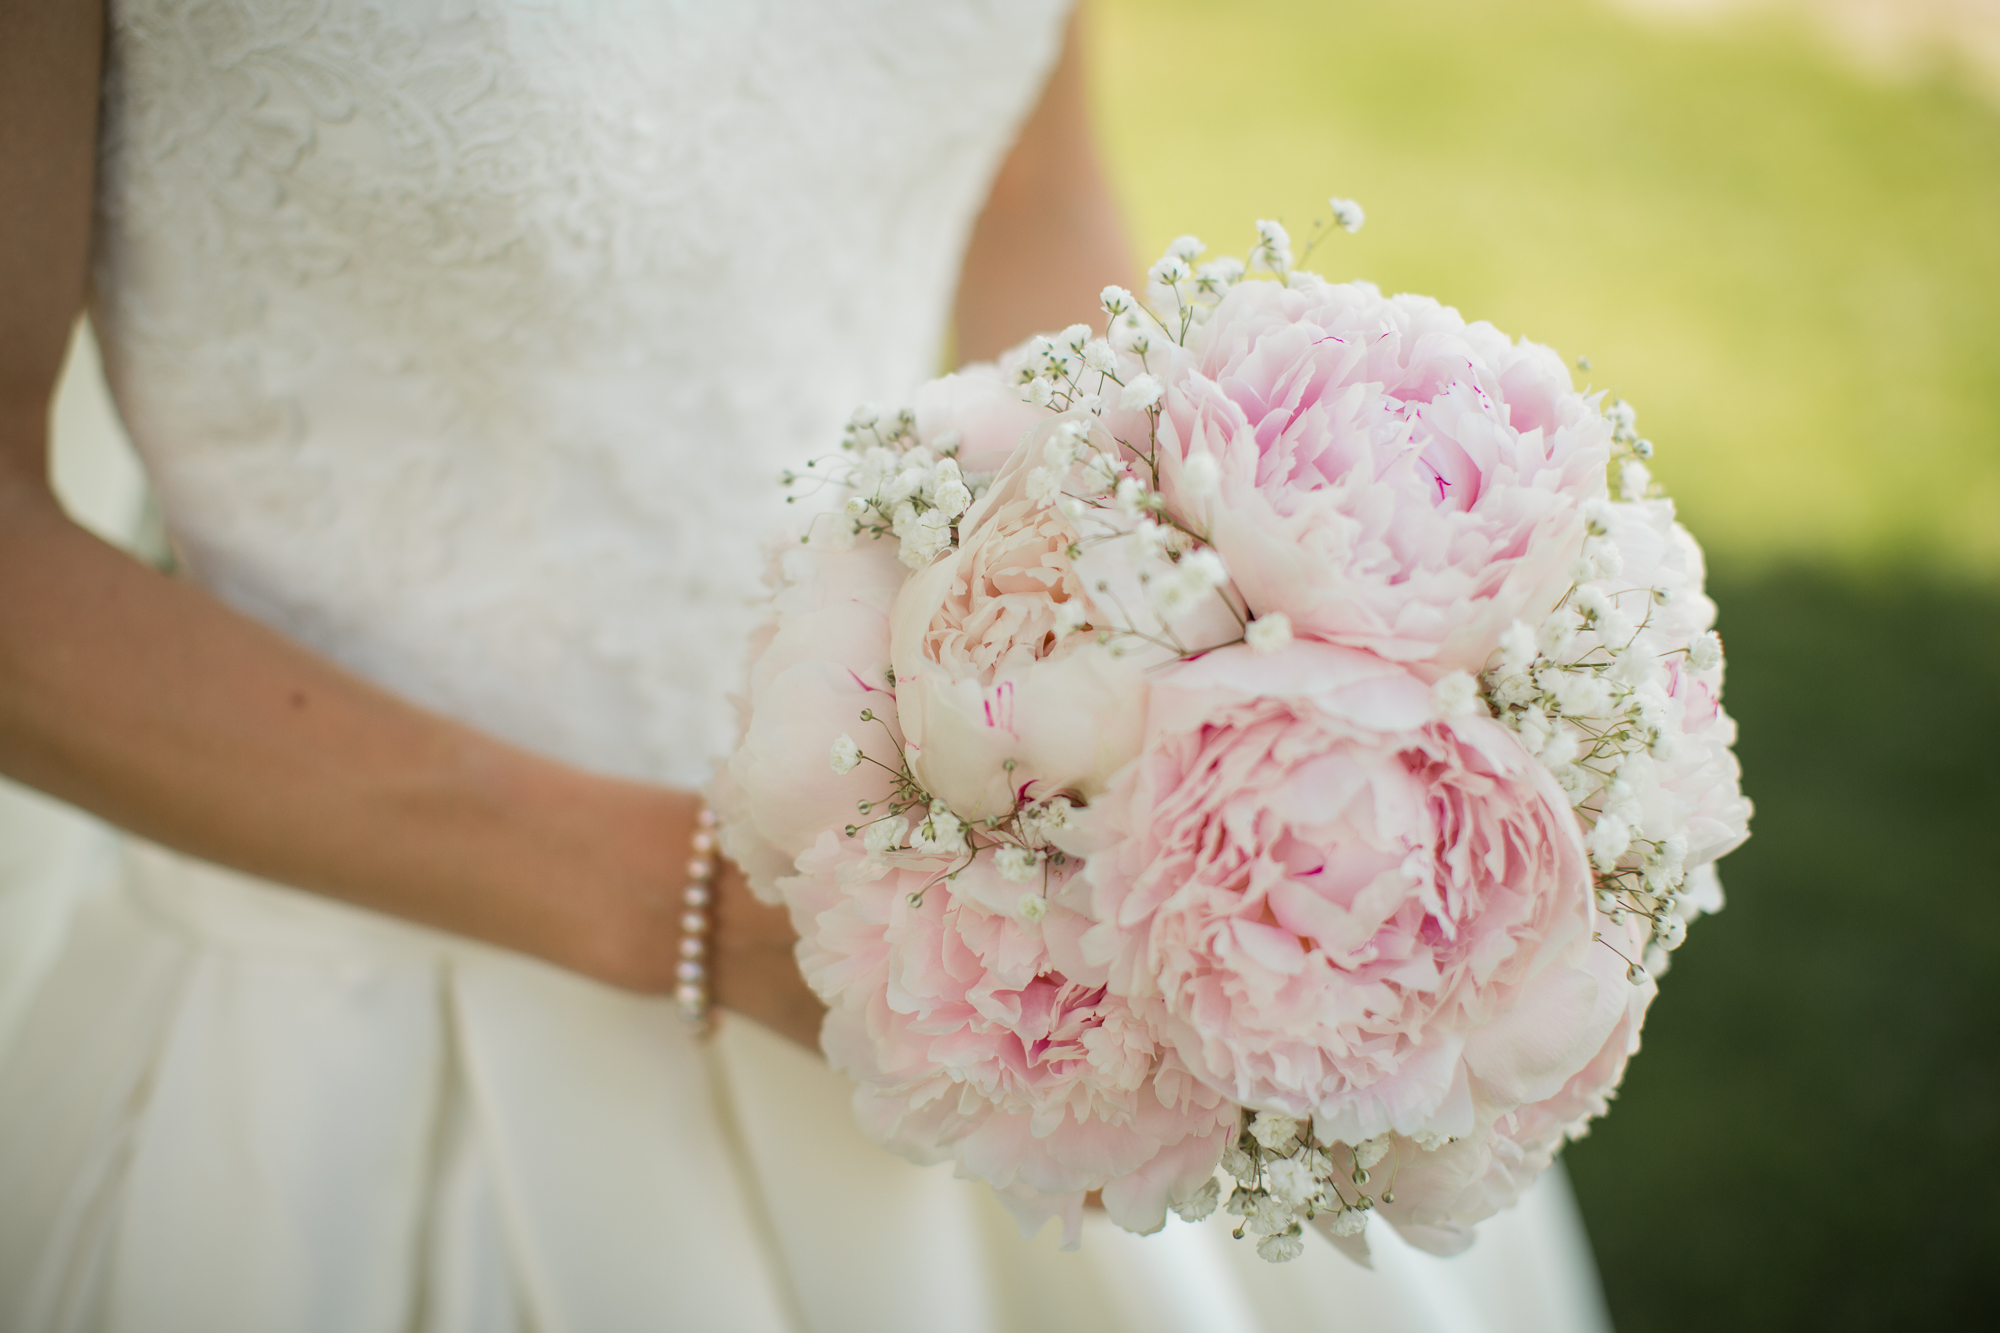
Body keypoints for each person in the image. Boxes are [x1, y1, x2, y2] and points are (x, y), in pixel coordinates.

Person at [0, 2, 1612, 1328]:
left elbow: (1027, 197)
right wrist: (714, 909)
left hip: (1012, 915)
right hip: (373, 1037)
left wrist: (1195, 632)